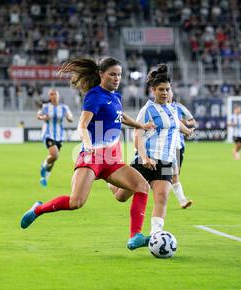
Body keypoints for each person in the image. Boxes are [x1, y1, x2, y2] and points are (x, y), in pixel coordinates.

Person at [20, 57, 156, 250]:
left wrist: (140, 125)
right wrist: (87, 143)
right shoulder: (94, 96)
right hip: (91, 157)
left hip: (111, 159)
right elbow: (82, 125)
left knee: (142, 186)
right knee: (76, 202)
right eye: (112, 74)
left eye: (119, 74)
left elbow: (120, 116)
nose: (117, 78)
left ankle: (135, 236)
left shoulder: (115, 97)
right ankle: (38, 209)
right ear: (101, 74)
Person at [109, 64, 194, 235]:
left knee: (162, 197)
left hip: (166, 161)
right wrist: (144, 157)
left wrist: (189, 131)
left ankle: (156, 234)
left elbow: (177, 125)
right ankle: (112, 183)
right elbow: (137, 135)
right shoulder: (147, 110)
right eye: (161, 89)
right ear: (153, 90)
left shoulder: (172, 109)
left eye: (167, 89)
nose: (164, 93)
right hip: (145, 161)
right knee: (121, 197)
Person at [38, 89, 74, 187]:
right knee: (55, 155)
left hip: (59, 136)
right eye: (51, 95)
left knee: (53, 159)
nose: (53, 96)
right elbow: (39, 115)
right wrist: (43, 118)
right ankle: (43, 165)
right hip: (48, 134)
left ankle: (45, 178)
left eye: (54, 94)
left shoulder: (64, 107)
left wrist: (69, 118)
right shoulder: (46, 107)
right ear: (49, 97)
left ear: (58, 95)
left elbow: (71, 117)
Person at [168, 89, 196, 209]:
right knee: (170, 175)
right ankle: (182, 200)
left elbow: (192, 121)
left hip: (179, 146)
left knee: (174, 174)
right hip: (164, 146)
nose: (167, 93)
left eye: (168, 90)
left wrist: (184, 123)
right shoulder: (156, 108)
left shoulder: (179, 107)